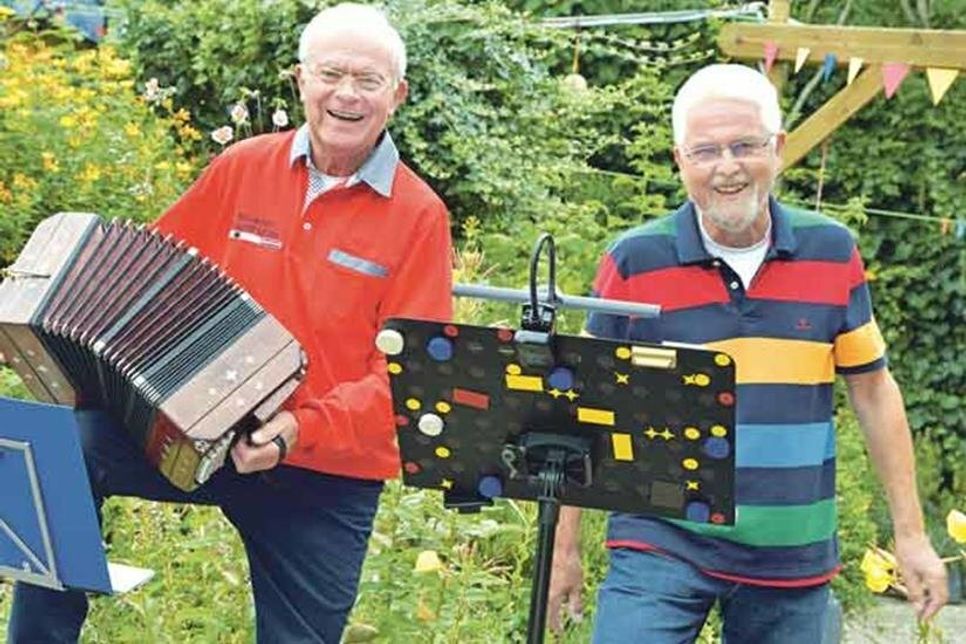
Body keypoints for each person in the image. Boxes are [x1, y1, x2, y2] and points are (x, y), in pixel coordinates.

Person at [7, 3, 452, 642]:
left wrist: (300, 428)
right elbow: (143, 277)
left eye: (368, 80)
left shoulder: (419, 216)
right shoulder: (244, 166)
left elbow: (410, 377)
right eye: (331, 74)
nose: (347, 95)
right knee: (64, 449)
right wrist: (50, 333)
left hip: (324, 472)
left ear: (397, 95)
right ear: (301, 80)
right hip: (200, 433)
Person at [548, 64, 947, 642]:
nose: (727, 166)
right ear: (680, 161)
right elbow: (582, 402)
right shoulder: (634, 261)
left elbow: (874, 391)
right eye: (706, 151)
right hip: (661, 538)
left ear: (777, 149)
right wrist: (564, 552)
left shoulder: (833, 252)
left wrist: (911, 535)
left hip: (790, 550)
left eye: (744, 146)